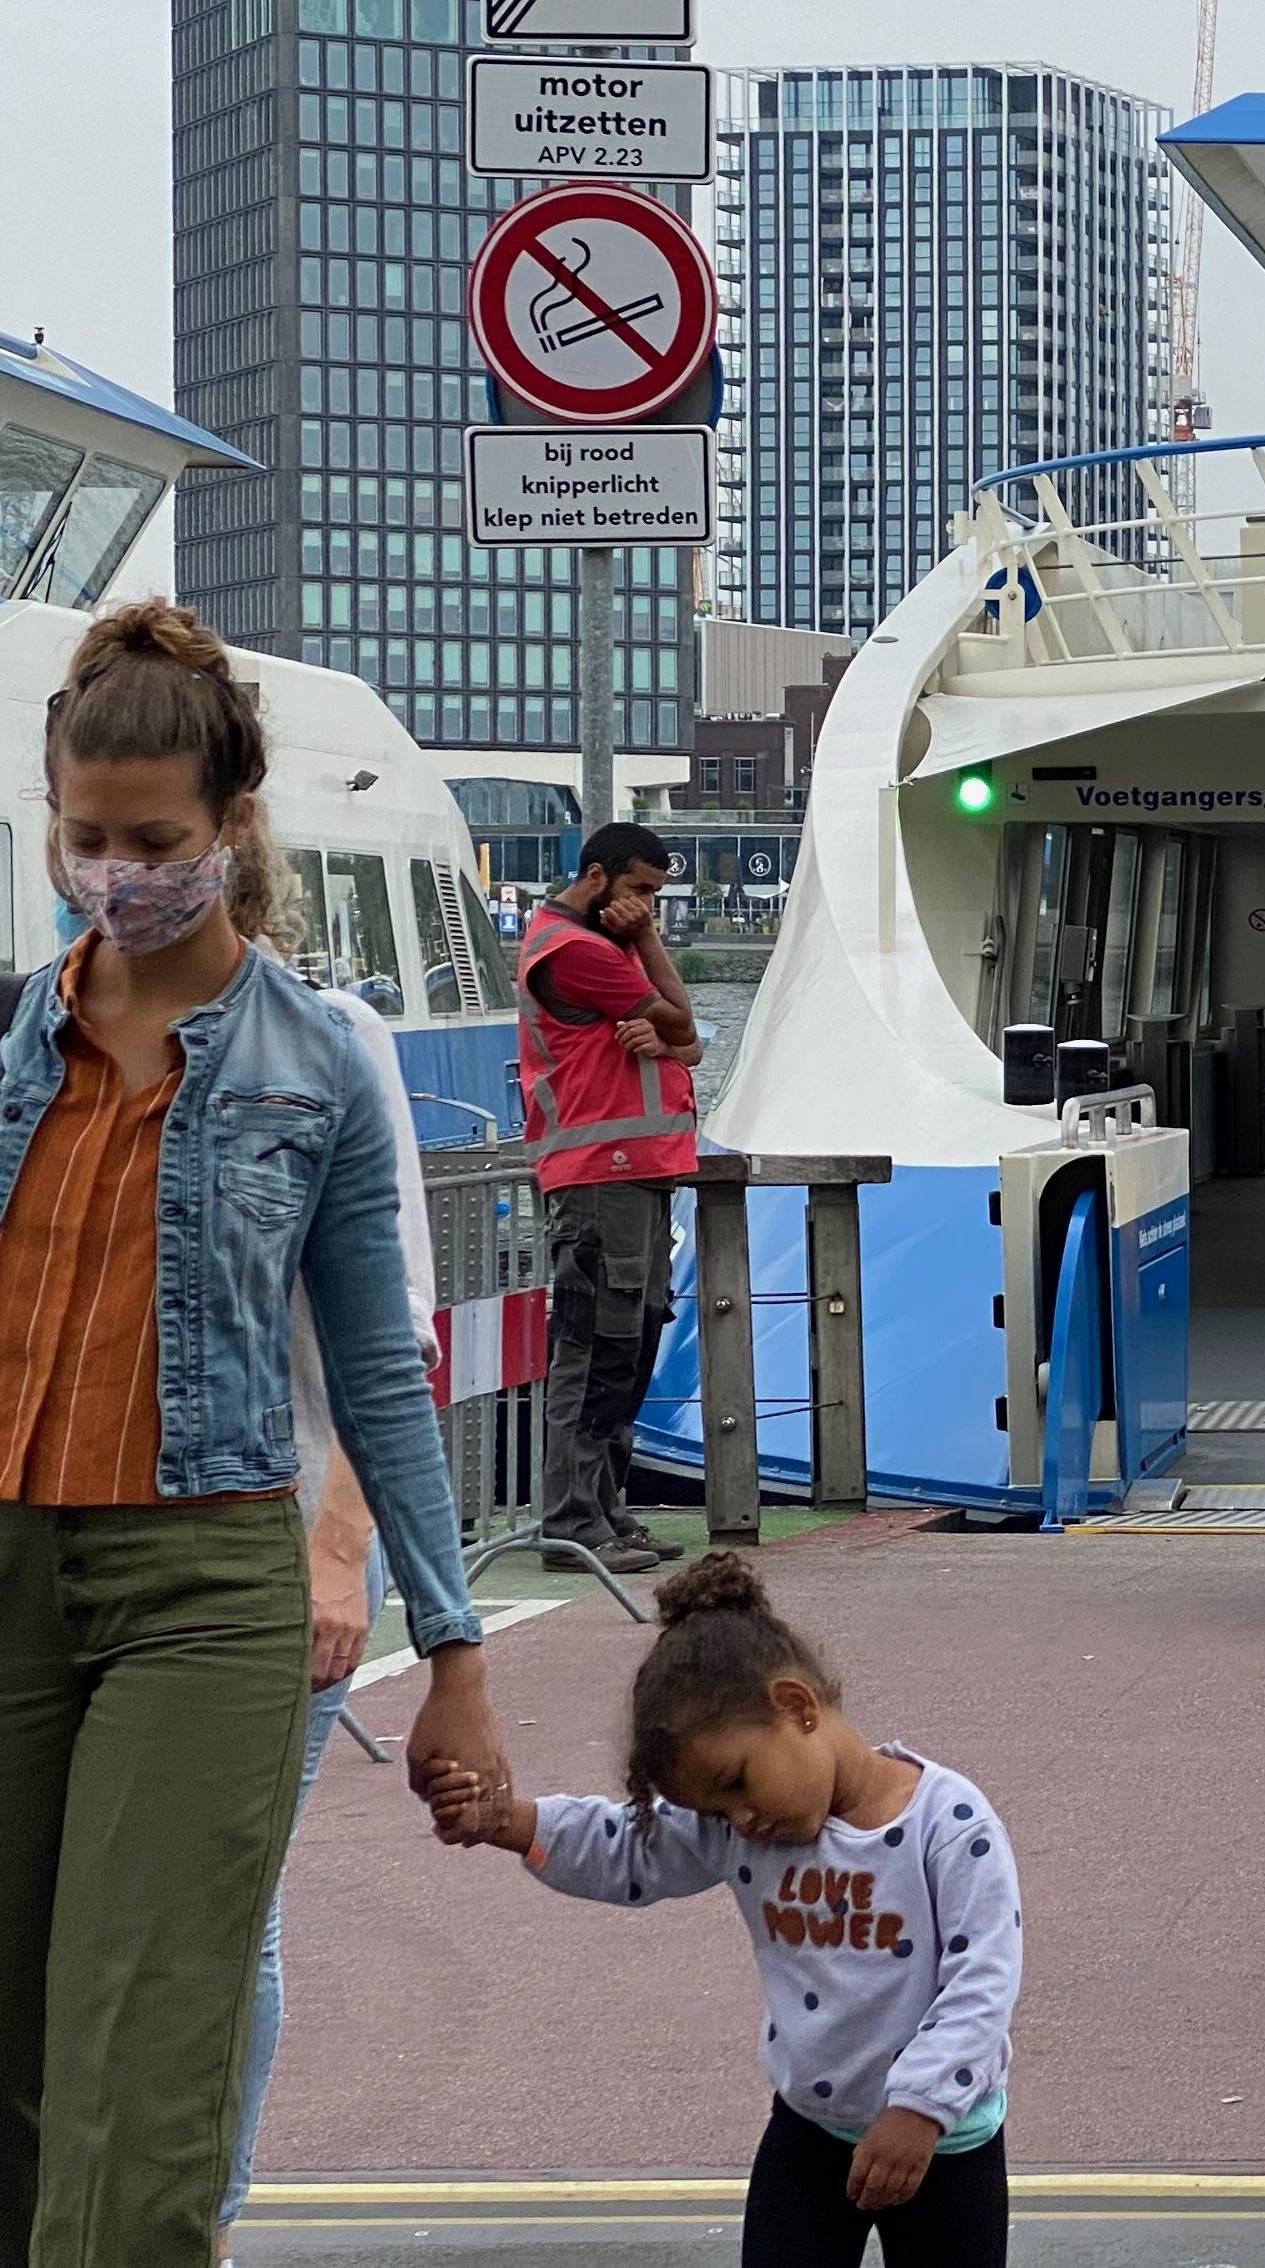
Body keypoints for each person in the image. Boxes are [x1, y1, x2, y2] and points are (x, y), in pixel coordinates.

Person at [0, 598, 500, 2261]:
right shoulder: (11, 1040)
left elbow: (379, 1365)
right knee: (14, 2051)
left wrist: (452, 1640)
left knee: (149, 2042)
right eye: (86, 837)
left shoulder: (320, 1057)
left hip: (209, 1576)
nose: (118, 869)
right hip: (12, 1558)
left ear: (231, 823)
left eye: (154, 837)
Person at [424, 1555, 1022, 2268]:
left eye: (738, 1782)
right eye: (714, 1809)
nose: (741, 1819)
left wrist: (920, 2109)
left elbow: (982, 1981)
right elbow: (627, 1851)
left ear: (798, 1707)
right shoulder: (740, 1828)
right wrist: (507, 1822)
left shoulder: (948, 1823)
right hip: (809, 2132)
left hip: (941, 2141)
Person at [217, 797, 444, 2237]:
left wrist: (342, 1552)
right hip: (96, 1540)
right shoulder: (45, 1036)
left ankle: (208, 2213)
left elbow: (387, 1337)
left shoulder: (332, 1042)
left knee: (228, 1912)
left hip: (281, 1540)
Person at [520, 819, 702, 1576]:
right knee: (594, 1349)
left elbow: (685, 1043)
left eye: (656, 898)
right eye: (638, 892)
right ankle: (573, 1522)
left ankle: (606, 1513)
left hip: (634, 1170)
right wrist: (650, 953)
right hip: (601, 1172)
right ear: (595, 879)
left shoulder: (602, 945)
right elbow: (684, 1020)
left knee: (627, 1349)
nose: (646, 909)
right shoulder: (577, 952)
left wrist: (668, 1034)